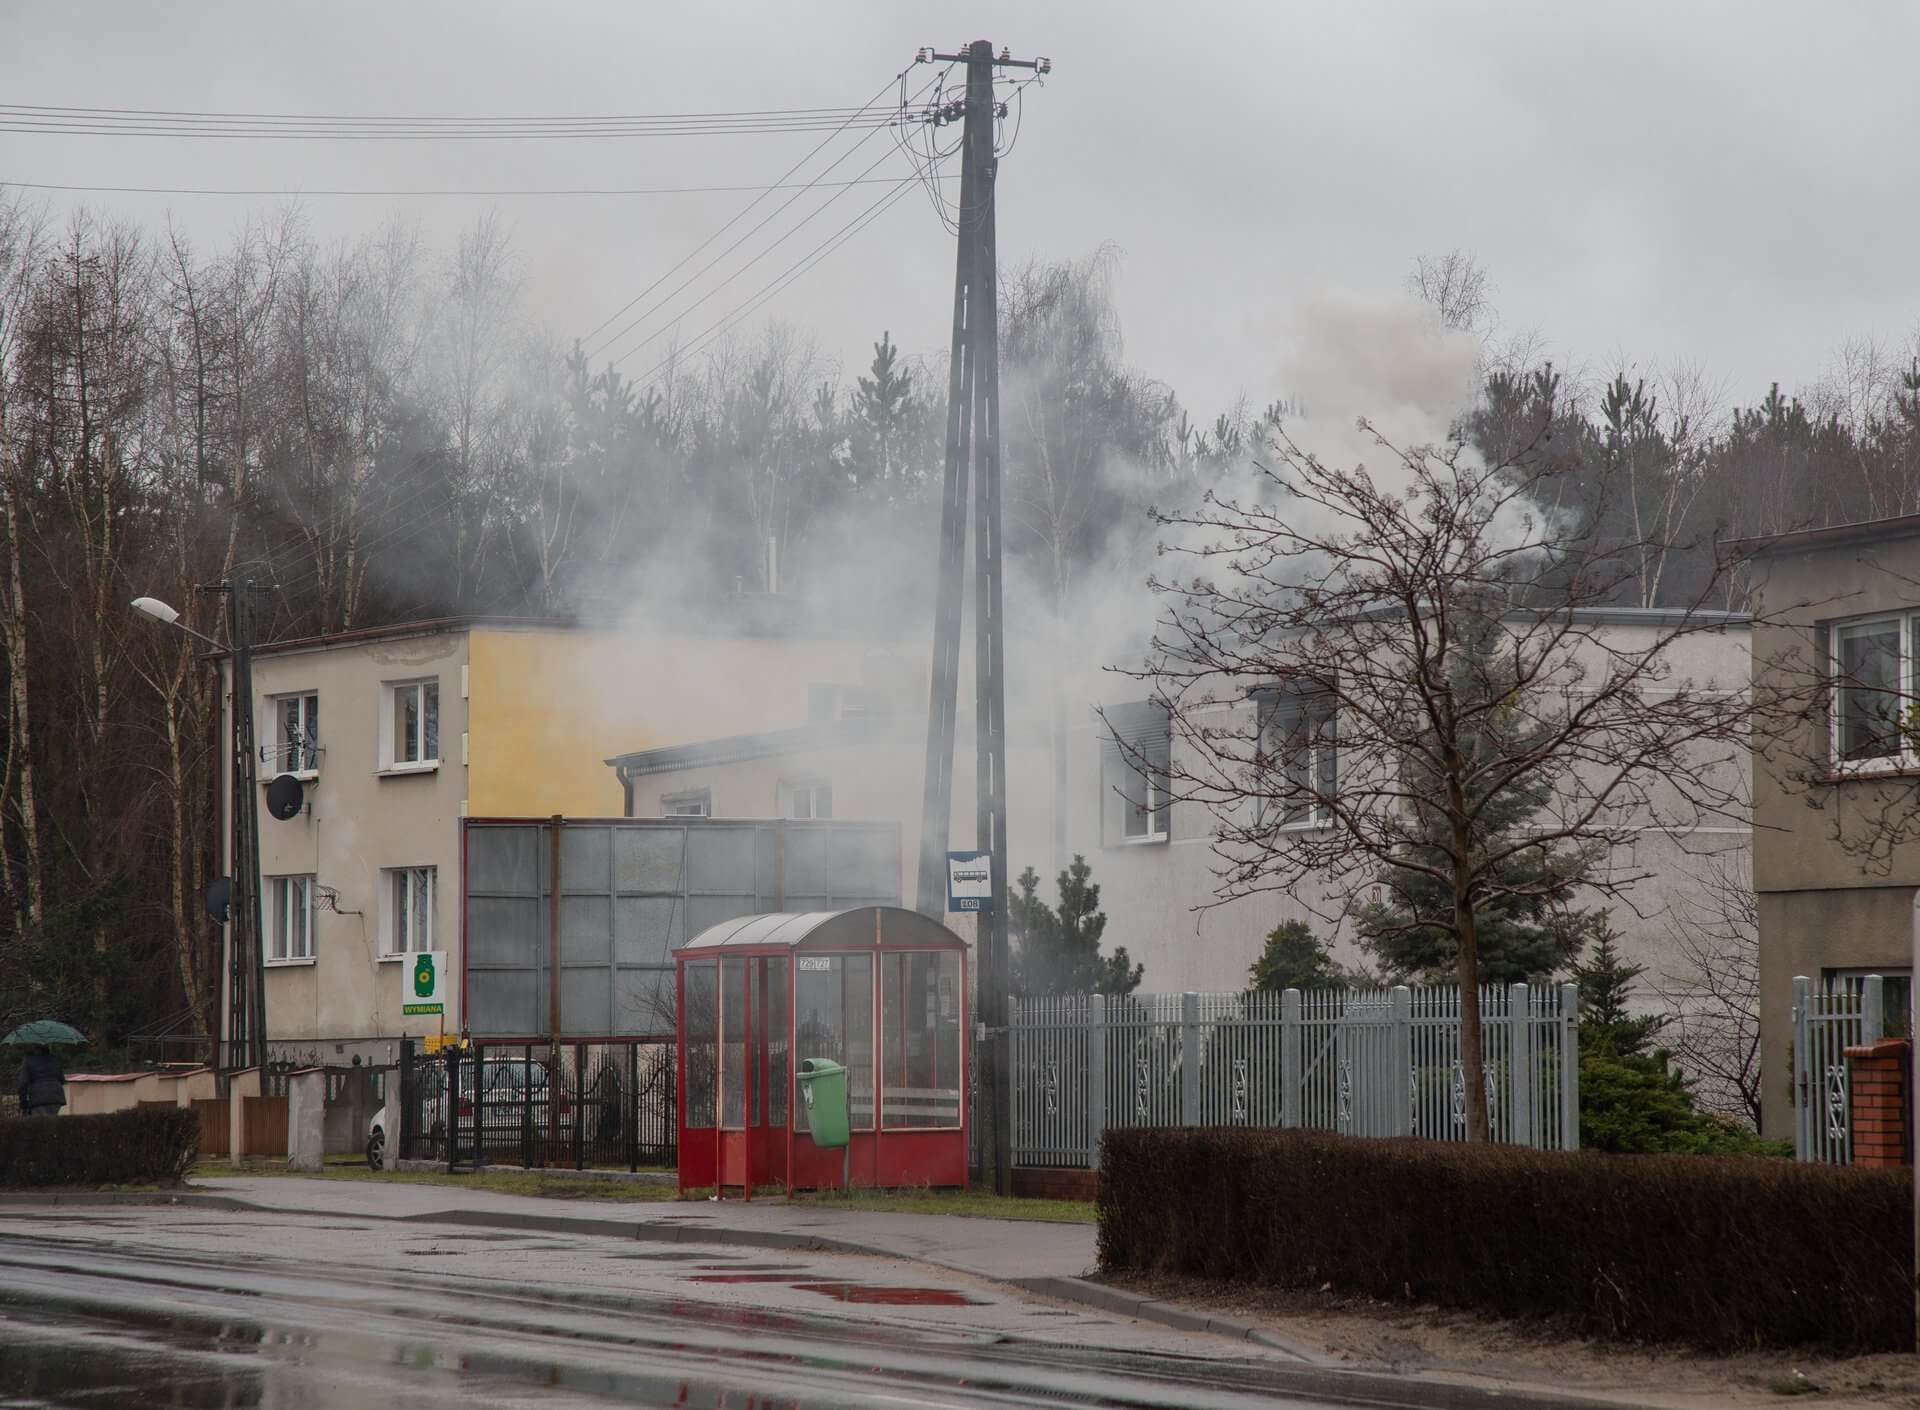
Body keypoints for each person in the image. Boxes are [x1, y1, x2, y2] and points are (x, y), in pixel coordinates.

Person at [18, 1044, 66, 1116]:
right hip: (56, 1097)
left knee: (40, 1125)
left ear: (34, 1047)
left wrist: (23, 1104)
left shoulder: (28, 1060)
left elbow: (23, 1083)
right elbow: (62, 1080)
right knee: (52, 1123)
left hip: (38, 1098)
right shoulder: (56, 1059)